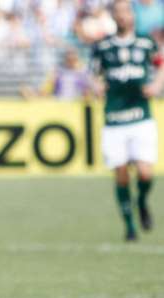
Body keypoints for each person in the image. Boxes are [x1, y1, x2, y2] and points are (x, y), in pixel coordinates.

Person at [91, 0, 164, 241]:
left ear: (132, 15)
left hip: (141, 117)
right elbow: (92, 75)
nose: (123, 16)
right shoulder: (103, 46)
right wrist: (97, 86)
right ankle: (130, 226)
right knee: (121, 174)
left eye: (126, 12)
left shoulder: (145, 42)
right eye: (118, 12)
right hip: (114, 119)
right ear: (113, 16)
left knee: (145, 173)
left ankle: (141, 201)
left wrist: (156, 84)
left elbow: (161, 64)